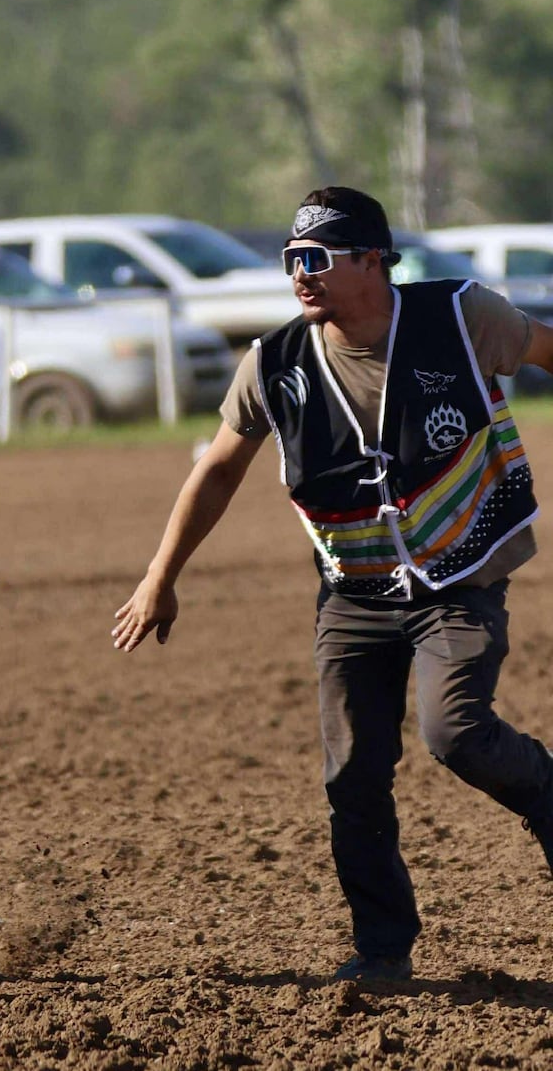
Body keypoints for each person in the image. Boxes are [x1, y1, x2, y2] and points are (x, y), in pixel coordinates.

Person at [112, 185, 553, 983]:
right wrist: (159, 577)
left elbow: (549, 350)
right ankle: (383, 950)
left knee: (454, 732)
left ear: (373, 260)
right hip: (354, 594)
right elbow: (215, 470)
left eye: (315, 259)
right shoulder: (275, 363)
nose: (299, 275)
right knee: (352, 779)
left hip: (458, 577)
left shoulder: (464, 316)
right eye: (291, 261)